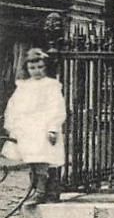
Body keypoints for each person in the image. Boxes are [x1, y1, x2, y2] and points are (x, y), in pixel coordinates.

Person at [1, 48, 66, 205]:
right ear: (27, 69)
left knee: (43, 159)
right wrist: (13, 125)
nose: (36, 71)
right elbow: (14, 106)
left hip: (43, 127)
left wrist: (53, 128)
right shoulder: (23, 86)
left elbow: (56, 107)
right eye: (32, 68)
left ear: (46, 67)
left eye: (40, 67)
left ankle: (43, 191)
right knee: (32, 160)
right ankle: (35, 188)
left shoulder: (51, 85)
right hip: (28, 129)